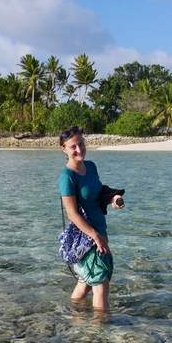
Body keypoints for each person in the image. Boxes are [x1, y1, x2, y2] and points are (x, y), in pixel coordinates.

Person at [58, 126, 124, 311]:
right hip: (87, 237)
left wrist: (113, 198)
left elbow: (98, 192)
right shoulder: (67, 178)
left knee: (85, 282)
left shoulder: (91, 166)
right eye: (73, 147)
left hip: (99, 230)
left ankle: (74, 316)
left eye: (81, 144)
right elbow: (72, 214)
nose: (79, 149)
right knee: (100, 284)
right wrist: (95, 236)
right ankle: (100, 329)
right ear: (64, 149)